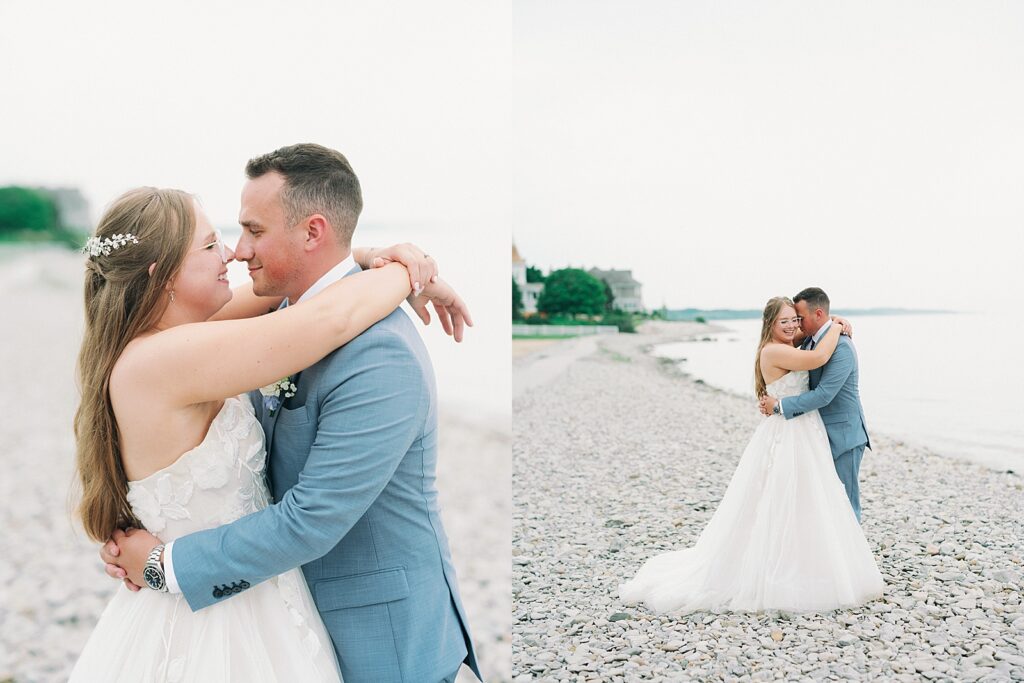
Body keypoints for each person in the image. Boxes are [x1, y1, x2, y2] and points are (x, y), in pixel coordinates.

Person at [75, 146, 478, 682]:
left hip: (324, 615)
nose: (234, 254)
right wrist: (410, 272)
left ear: (310, 231)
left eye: (247, 232)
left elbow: (316, 307)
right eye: (214, 243)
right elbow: (331, 316)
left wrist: (373, 257)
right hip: (221, 618)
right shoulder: (170, 355)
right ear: (163, 274)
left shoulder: (193, 336)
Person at [618, 297, 883, 614]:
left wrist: (832, 320)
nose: (791, 325)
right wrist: (838, 325)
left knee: (812, 498)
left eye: (795, 319)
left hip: (807, 432)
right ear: (770, 324)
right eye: (784, 320)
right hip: (792, 432)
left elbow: (812, 338)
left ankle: (822, 559)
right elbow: (817, 358)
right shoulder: (774, 350)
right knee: (782, 498)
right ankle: (793, 566)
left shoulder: (792, 341)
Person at [759, 287, 871, 521]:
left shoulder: (841, 346)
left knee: (846, 504)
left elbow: (824, 395)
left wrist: (779, 405)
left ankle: (851, 556)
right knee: (821, 502)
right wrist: (836, 322)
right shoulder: (809, 341)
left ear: (818, 314)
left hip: (844, 435)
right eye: (790, 320)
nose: (796, 325)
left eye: (799, 318)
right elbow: (808, 353)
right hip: (814, 433)